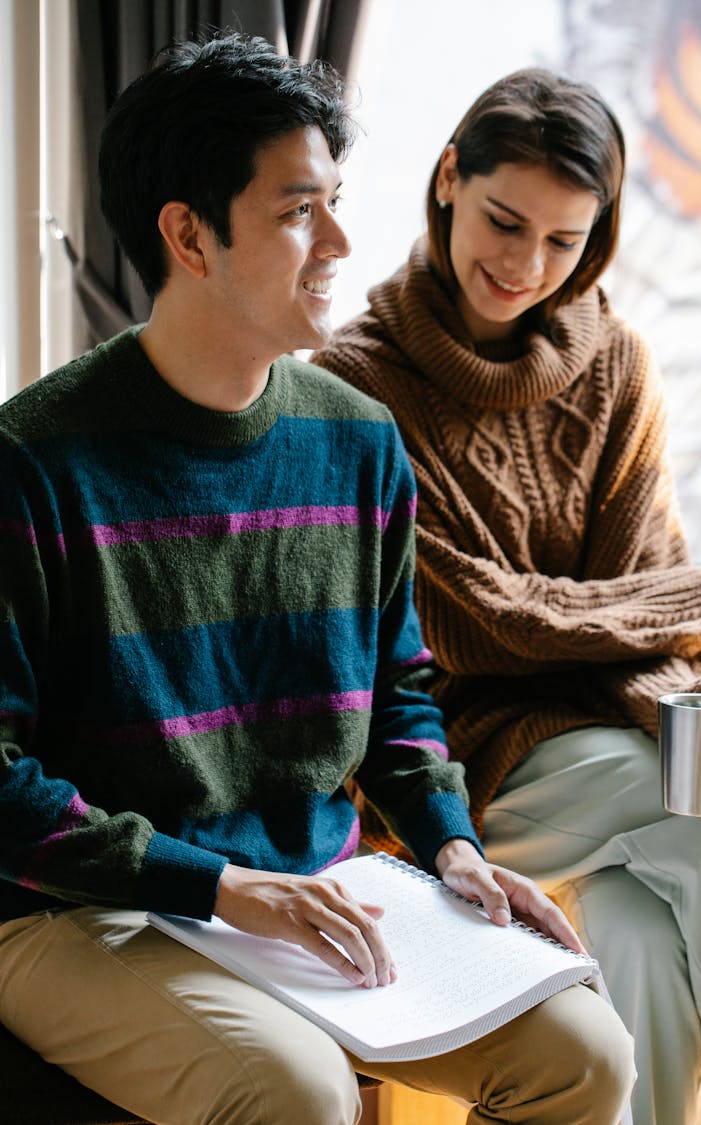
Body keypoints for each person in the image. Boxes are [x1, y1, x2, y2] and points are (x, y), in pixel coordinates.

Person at [0, 36, 634, 1125]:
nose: (342, 241)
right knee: (294, 1092)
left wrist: (452, 847)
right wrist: (219, 888)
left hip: (317, 890)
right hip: (79, 909)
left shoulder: (359, 445)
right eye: (300, 212)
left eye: (337, 202)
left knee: (587, 1054)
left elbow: (398, 696)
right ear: (189, 233)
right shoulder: (34, 461)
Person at [313, 66, 701, 1125]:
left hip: (608, 742)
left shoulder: (618, 366)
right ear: (450, 178)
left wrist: (663, 608)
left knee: (635, 936)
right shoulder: (359, 383)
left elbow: (638, 584)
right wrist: (696, 602)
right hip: (451, 766)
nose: (524, 264)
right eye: (506, 222)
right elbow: (471, 622)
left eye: (562, 241)